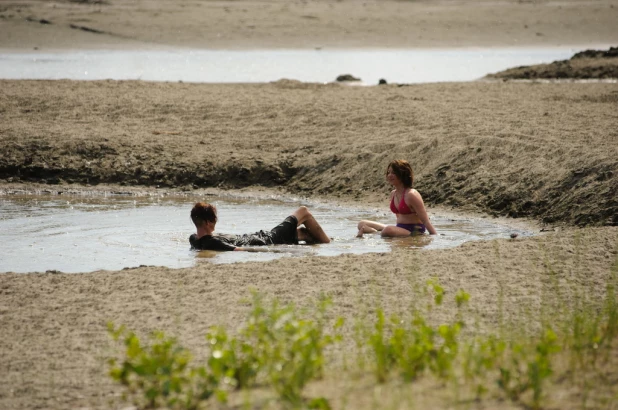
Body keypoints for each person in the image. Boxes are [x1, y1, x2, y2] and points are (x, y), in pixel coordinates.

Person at [189, 203, 331, 251]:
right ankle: (328, 243)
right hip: (269, 239)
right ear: (208, 222)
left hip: (261, 236)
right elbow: (241, 250)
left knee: (304, 233)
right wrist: (275, 250)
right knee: (303, 211)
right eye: (214, 218)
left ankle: (310, 238)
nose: (216, 221)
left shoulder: (194, 239)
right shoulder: (212, 242)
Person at [357, 159, 437, 237]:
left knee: (388, 230)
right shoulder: (393, 194)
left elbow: (425, 220)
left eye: (394, 173)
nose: (389, 175)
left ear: (402, 175)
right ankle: (375, 233)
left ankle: (375, 234)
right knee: (362, 223)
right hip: (400, 228)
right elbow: (399, 216)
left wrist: (435, 236)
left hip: (413, 231)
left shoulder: (411, 194)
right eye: (388, 172)